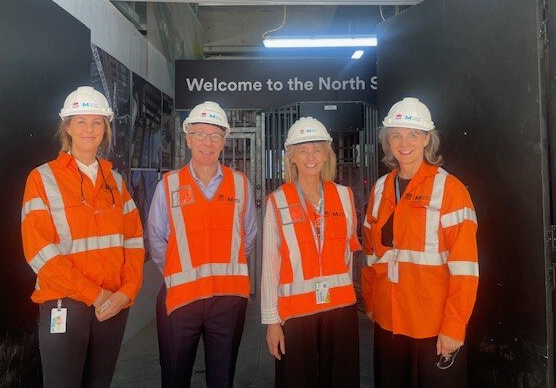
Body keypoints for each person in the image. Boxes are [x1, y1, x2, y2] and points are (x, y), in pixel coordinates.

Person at [21, 86, 145, 387]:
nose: (90, 129)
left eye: (97, 122)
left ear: (106, 128)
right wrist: (96, 294)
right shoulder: (42, 178)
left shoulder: (115, 180)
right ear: (67, 127)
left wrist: (126, 292)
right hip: (67, 302)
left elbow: (134, 241)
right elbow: (40, 252)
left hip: (113, 305)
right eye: (81, 121)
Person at [362, 97, 479, 388]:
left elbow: (465, 267)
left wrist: (454, 326)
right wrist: (371, 302)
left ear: (427, 139)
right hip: (389, 321)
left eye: (413, 134)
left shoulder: (449, 189)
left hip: (433, 325)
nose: (404, 142)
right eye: (396, 134)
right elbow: (371, 254)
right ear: (387, 140)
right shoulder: (379, 189)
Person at [147, 100, 258, 388]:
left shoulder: (240, 184)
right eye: (200, 134)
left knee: (222, 378)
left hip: (228, 300)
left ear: (224, 140)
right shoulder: (168, 185)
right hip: (181, 298)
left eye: (215, 135)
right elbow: (157, 240)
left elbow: (248, 236)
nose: (207, 142)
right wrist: (178, 272)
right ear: (188, 138)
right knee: (174, 376)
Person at [261, 116, 361, 388]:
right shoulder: (277, 201)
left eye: (317, 149)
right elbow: (270, 266)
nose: (311, 157)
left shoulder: (344, 196)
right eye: (302, 150)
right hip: (295, 313)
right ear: (291, 157)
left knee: (341, 380)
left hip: (339, 309)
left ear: (327, 155)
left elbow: (348, 255)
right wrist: (272, 322)